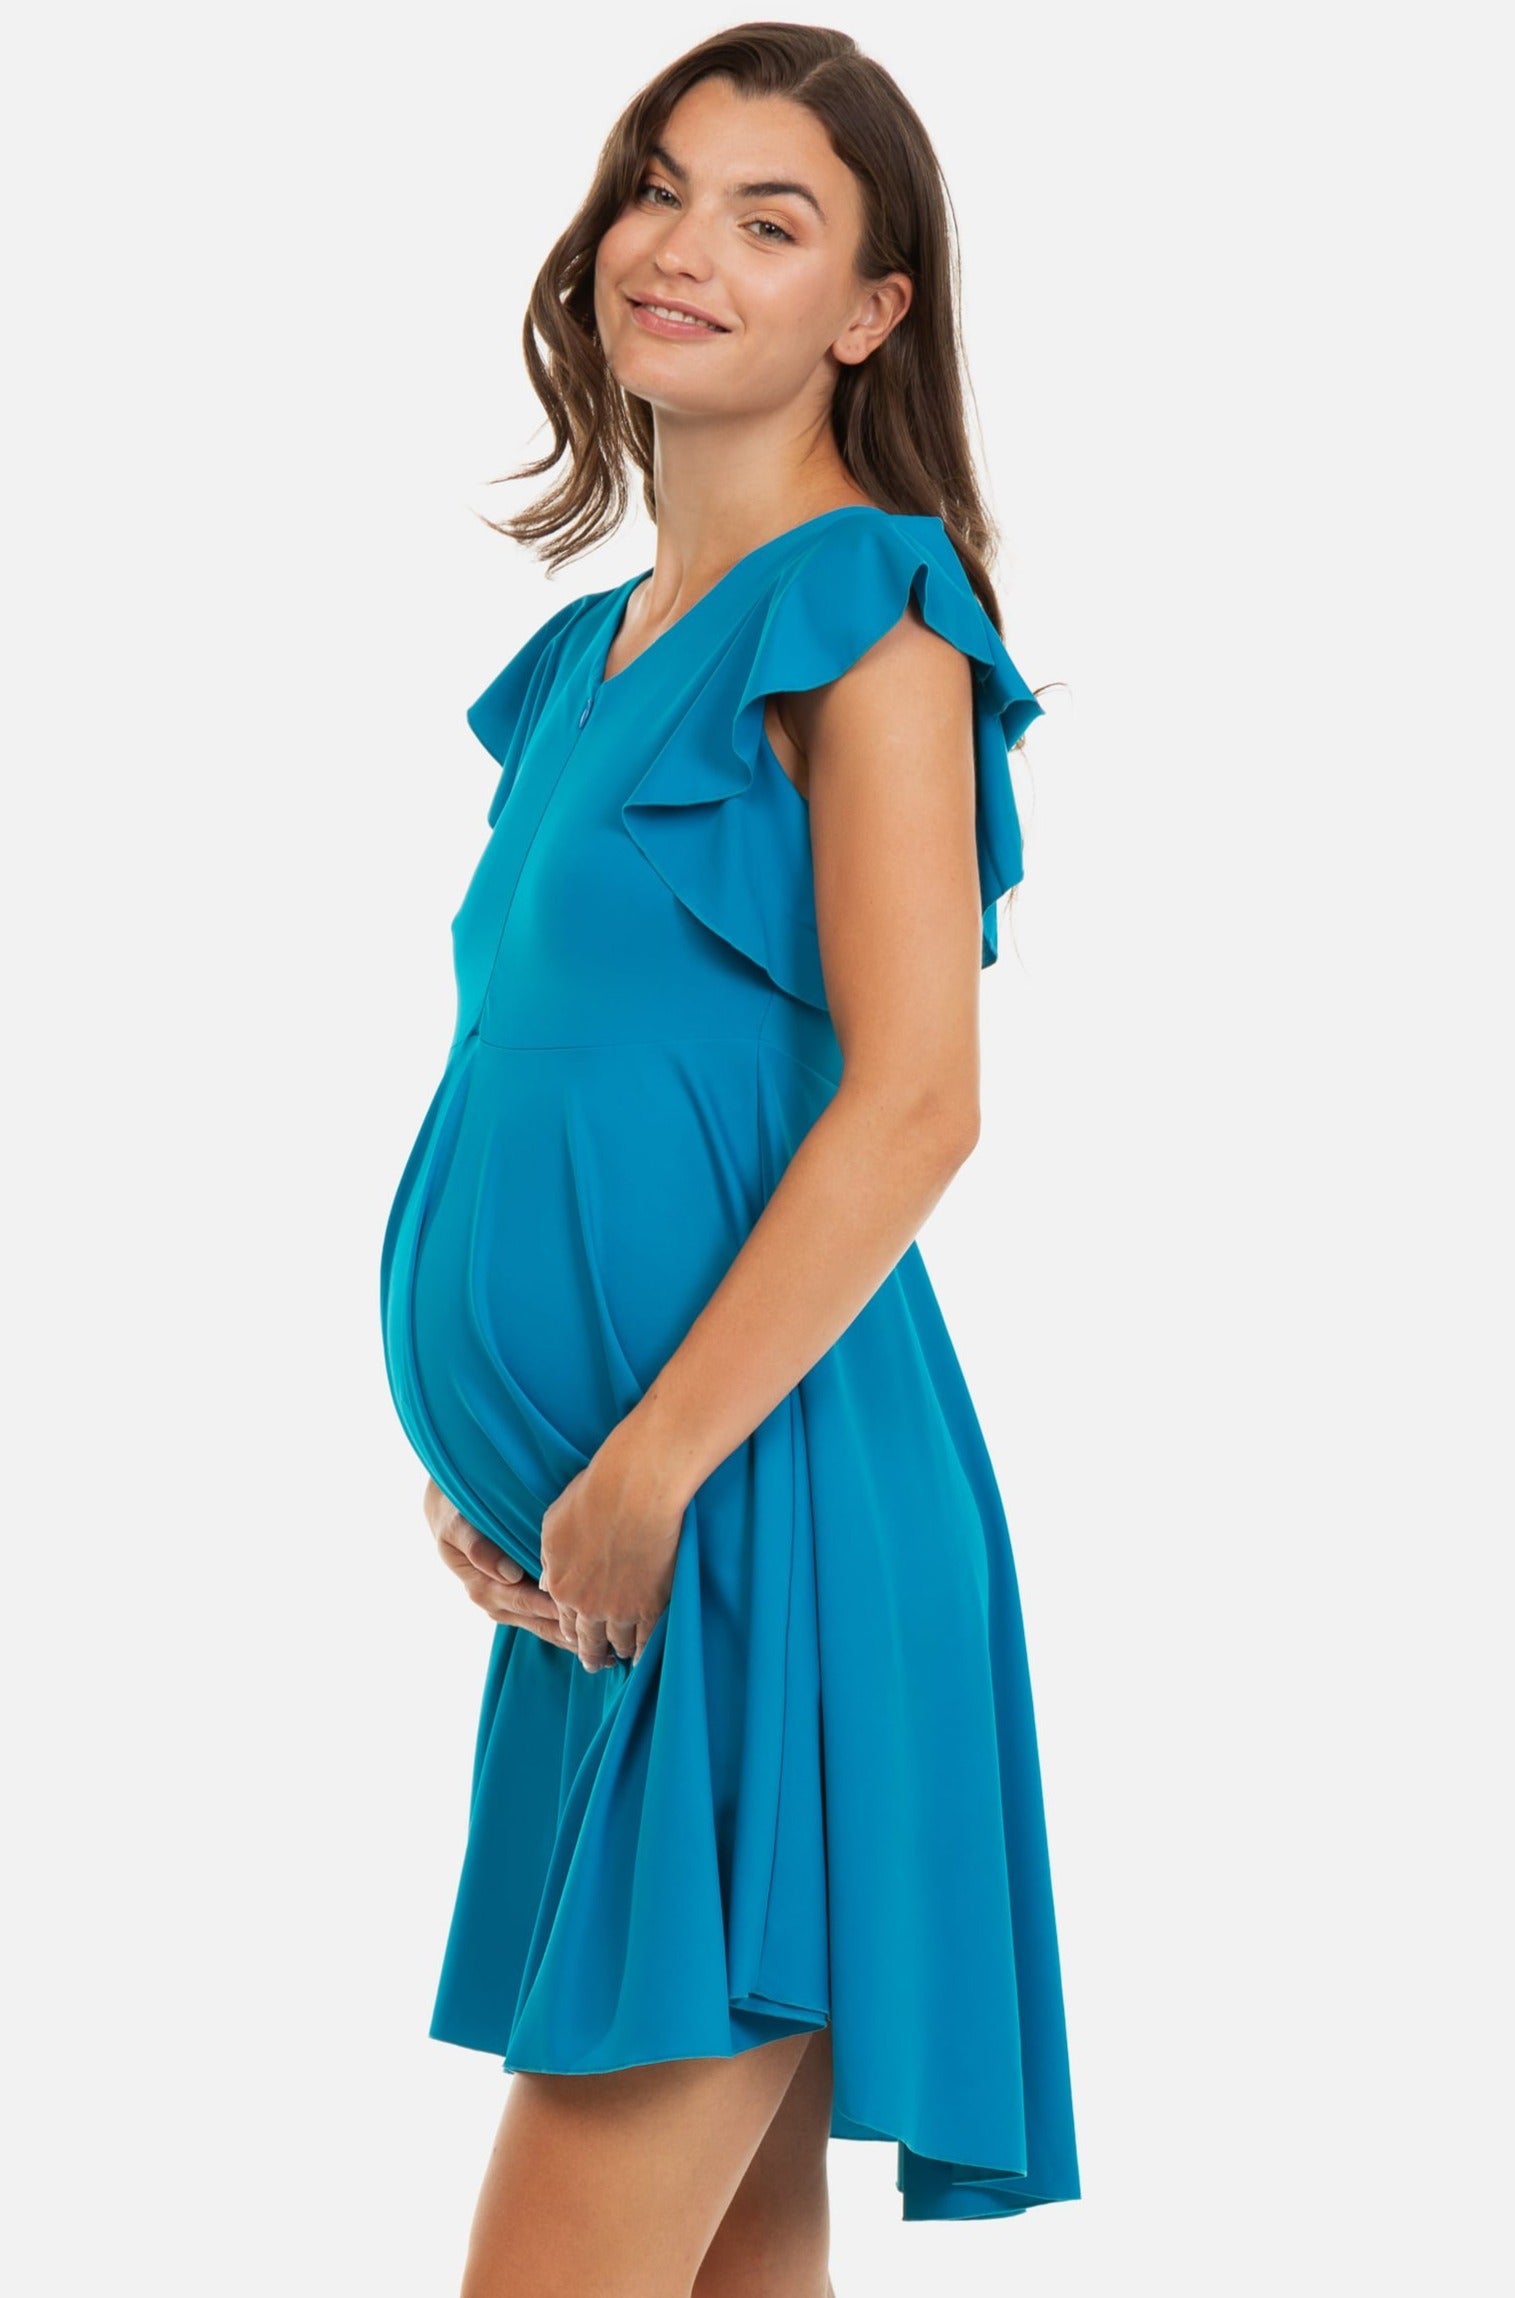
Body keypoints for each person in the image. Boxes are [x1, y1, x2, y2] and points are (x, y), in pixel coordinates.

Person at [379, 22, 1081, 2295]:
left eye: (770, 222)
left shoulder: (865, 608)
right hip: (628, 1547)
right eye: (657, 188)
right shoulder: (590, 655)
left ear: (869, 311)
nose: (678, 248)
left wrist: (653, 1460)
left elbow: (919, 1095)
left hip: (757, 1523)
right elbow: (560, 1082)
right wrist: (510, 1456)